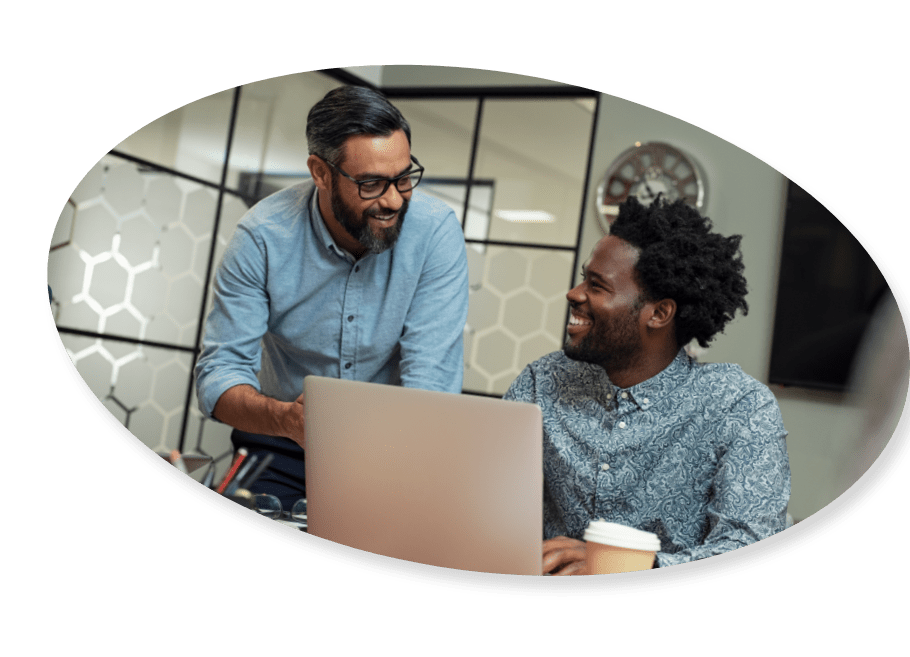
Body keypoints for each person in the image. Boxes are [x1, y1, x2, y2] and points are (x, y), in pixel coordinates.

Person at [195, 86, 469, 508]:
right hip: (280, 444)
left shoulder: (436, 233)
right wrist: (285, 419)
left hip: (394, 449)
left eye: (403, 177)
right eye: (372, 183)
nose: (394, 199)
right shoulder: (262, 238)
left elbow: (430, 383)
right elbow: (220, 374)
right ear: (320, 172)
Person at [504, 195, 790, 574]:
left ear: (658, 313)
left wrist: (616, 566)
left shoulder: (738, 406)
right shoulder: (542, 383)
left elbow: (750, 548)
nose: (574, 294)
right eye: (582, 279)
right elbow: (481, 501)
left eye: (597, 285)